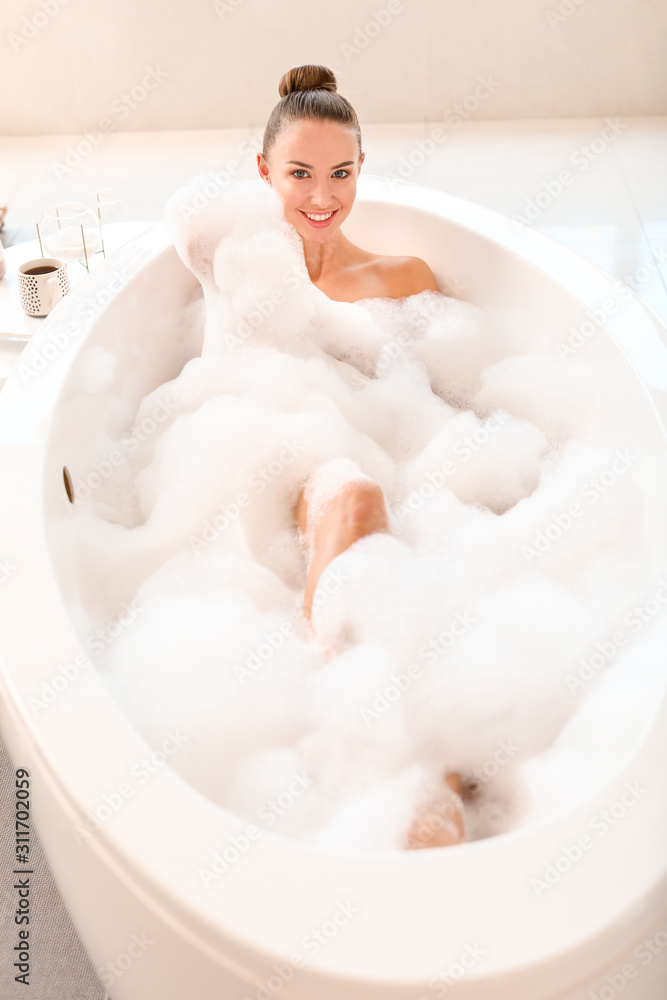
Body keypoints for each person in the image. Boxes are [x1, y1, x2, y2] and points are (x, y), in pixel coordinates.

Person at [257, 64, 465, 850]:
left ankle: (425, 800)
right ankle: (364, 750)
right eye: (299, 173)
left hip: (409, 474)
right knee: (352, 497)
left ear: (360, 171)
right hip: (290, 468)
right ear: (262, 173)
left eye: (340, 173)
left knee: (423, 603)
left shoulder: (403, 280)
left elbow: (452, 412)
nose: (322, 195)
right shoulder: (249, 284)